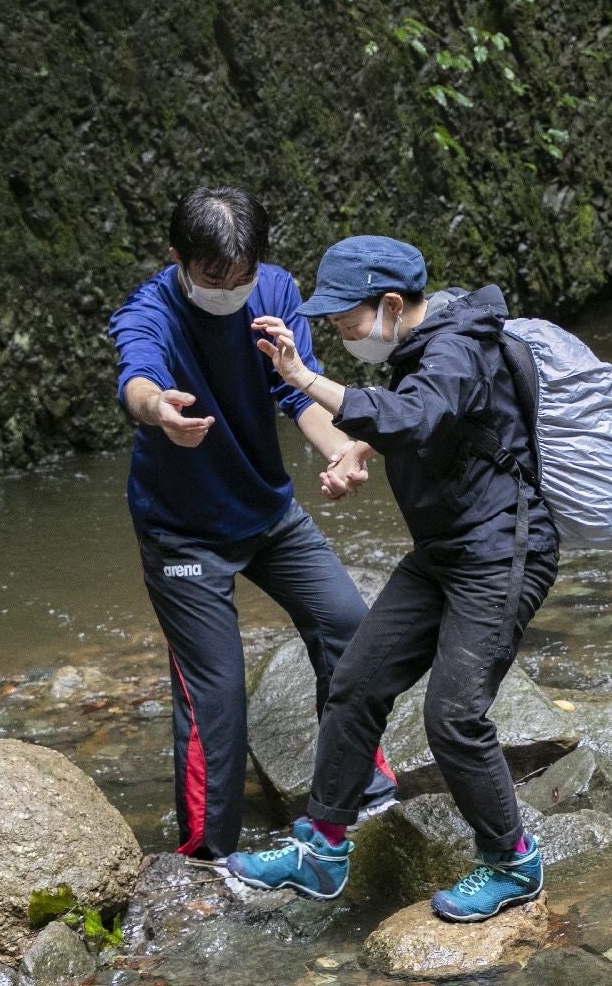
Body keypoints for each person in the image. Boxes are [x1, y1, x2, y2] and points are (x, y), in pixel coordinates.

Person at [226, 237, 559, 922]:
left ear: (389, 305)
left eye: (345, 319)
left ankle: (513, 862)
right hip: (444, 553)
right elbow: (431, 414)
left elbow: (416, 413)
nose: (341, 334)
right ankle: (321, 848)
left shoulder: (454, 345)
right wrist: (357, 446)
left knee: (454, 717)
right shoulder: (428, 345)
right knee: (355, 683)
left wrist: (302, 378)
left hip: (502, 555)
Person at [109, 187, 393, 863]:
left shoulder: (276, 291)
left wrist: (339, 452)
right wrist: (160, 412)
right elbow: (136, 377)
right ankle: (206, 858)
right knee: (219, 698)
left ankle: (356, 785)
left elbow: (299, 390)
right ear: (179, 259)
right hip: (182, 534)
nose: (231, 291)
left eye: (242, 277)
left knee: (349, 625)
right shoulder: (150, 310)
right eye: (214, 279)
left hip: (267, 512)